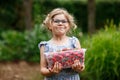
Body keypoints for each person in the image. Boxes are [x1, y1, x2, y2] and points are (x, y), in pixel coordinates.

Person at [38, 8, 85, 80]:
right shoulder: (45, 46)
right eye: (56, 21)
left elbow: (82, 66)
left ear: (69, 25)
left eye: (64, 21)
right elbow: (43, 70)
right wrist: (52, 71)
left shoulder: (74, 42)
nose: (60, 23)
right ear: (50, 25)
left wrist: (78, 67)